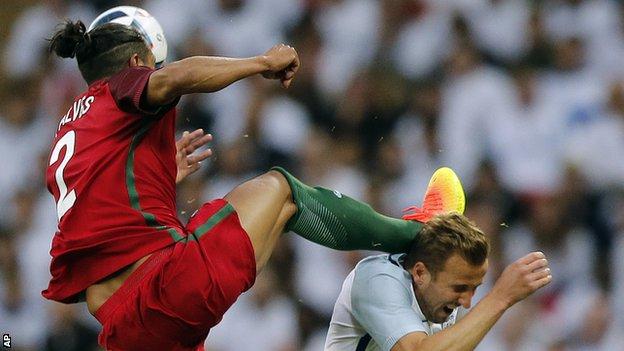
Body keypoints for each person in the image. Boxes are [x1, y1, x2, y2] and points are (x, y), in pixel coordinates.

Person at [44, 19, 466, 351]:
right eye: (150, 65)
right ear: (137, 64)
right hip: (163, 292)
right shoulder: (123, 86)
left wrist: (160, 175)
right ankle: (423, 232)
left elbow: (94, 221)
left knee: (271, 212)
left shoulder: (72, 131)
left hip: (124, 332)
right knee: (280, 189)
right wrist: (261, 63)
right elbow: (175, 78)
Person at [324, 213, 552, 351]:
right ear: (420, 273)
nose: (466, 302)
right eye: (460, 288)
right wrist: (500, 297)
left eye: (475, 289)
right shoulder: (377, 279)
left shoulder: (439, 299)